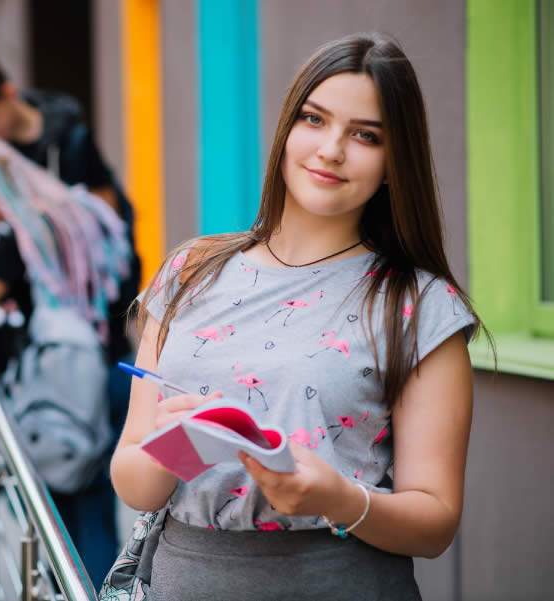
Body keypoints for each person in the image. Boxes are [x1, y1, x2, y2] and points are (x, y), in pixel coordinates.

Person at [110, 33, 488, 600]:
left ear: (393, 162)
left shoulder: (418, 306)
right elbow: (135, 485)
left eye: (365, 135)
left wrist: (337, 498)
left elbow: (435, 523)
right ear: (286, 129)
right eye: (314, 119)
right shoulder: (192, 269)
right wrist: (180, 444)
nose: (331, 149)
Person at [0, 137, 131, 588]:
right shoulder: (84, 211)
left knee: (61, 516)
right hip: (116, 370)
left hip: (65, 383)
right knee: (97, 507)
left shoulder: (20, 235)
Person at [0, 54, 141, 432]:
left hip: (89, 335)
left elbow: (108, 227)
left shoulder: (70, 141)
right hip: (51, 343)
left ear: (8, 93)